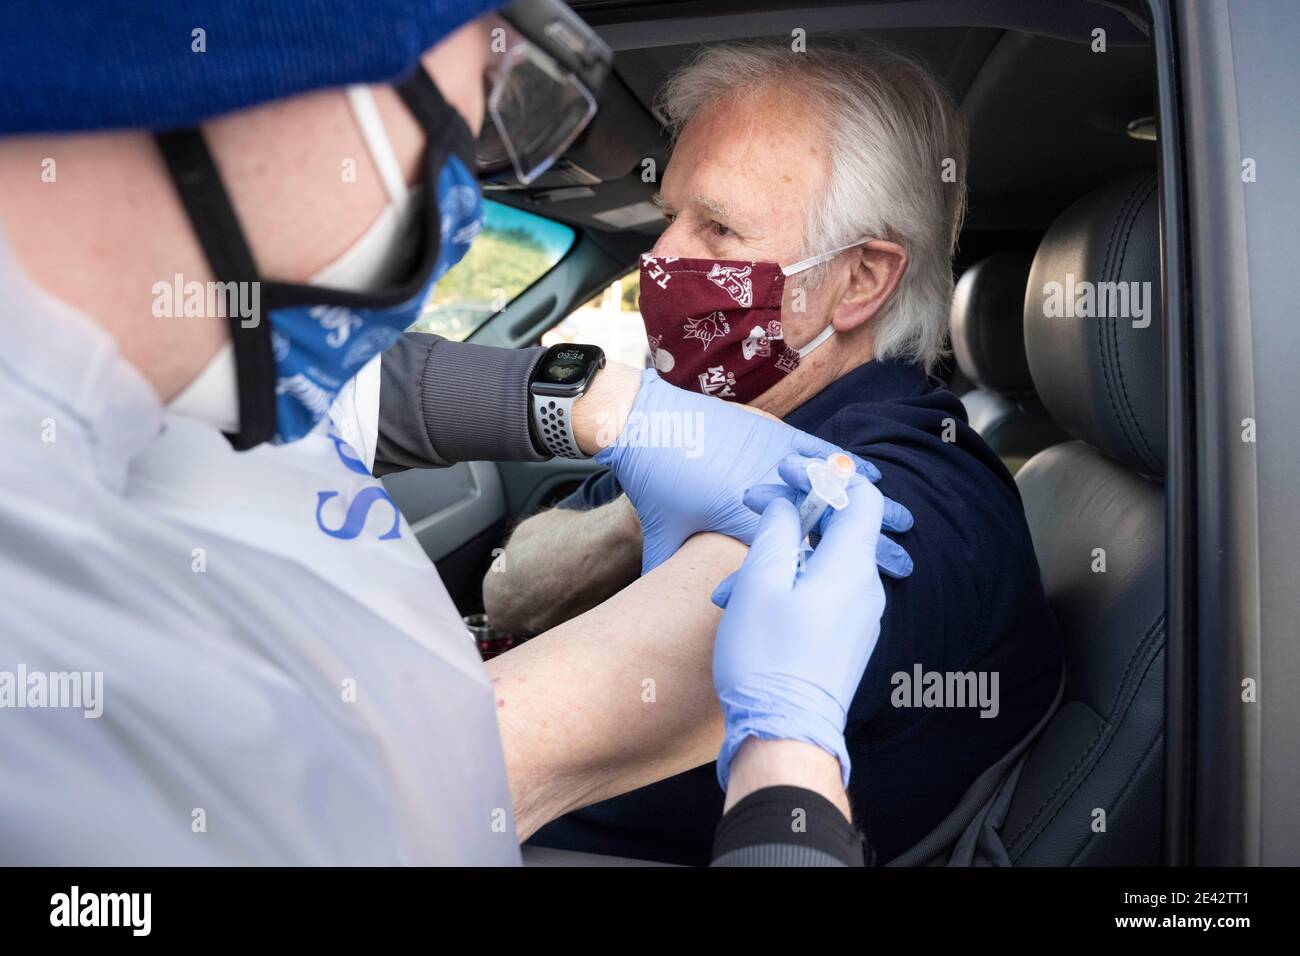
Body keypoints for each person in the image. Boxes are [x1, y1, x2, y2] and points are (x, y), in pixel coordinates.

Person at [0, 0, 902, 865]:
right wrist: (787, 768)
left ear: (858, 281)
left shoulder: (166, 374)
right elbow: (375, 807)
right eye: (441, 146)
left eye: (719, 227)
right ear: (267, 91)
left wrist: (614, 406)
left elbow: (380, 391)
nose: (462, 224)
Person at [475, 43, 1066, 865]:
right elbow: (507, 592)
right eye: (669, 218)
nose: (658, 258)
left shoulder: (923, 488)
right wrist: (631, 520)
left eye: (716, 226)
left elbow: (467, 762)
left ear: (859, 279)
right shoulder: (709, 417)